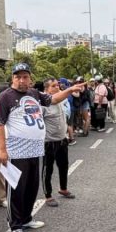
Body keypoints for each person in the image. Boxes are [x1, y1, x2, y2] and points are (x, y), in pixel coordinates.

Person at [0, 63, 84, 232]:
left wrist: (69, 90)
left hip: (35, 149)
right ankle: (15, 225)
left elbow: (53, 99)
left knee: (31, 187)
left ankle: (26, 218)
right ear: (13, 78)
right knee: (16, 189)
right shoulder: (5, 97)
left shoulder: (34, 93)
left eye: (25, 77)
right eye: (18, 77)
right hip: (17, 151)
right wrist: (2, 150)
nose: (21, 80)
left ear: (30, 78)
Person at [42, 78, 74, 207]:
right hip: (49, 142)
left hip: (62, 140)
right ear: (46, 89)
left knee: (64, 166)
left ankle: (63, 188)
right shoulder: (43, 104)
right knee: (48, 170)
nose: (57, 87)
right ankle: (48, 196)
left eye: (58, 85)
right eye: (53, 86)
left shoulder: (60, 99)